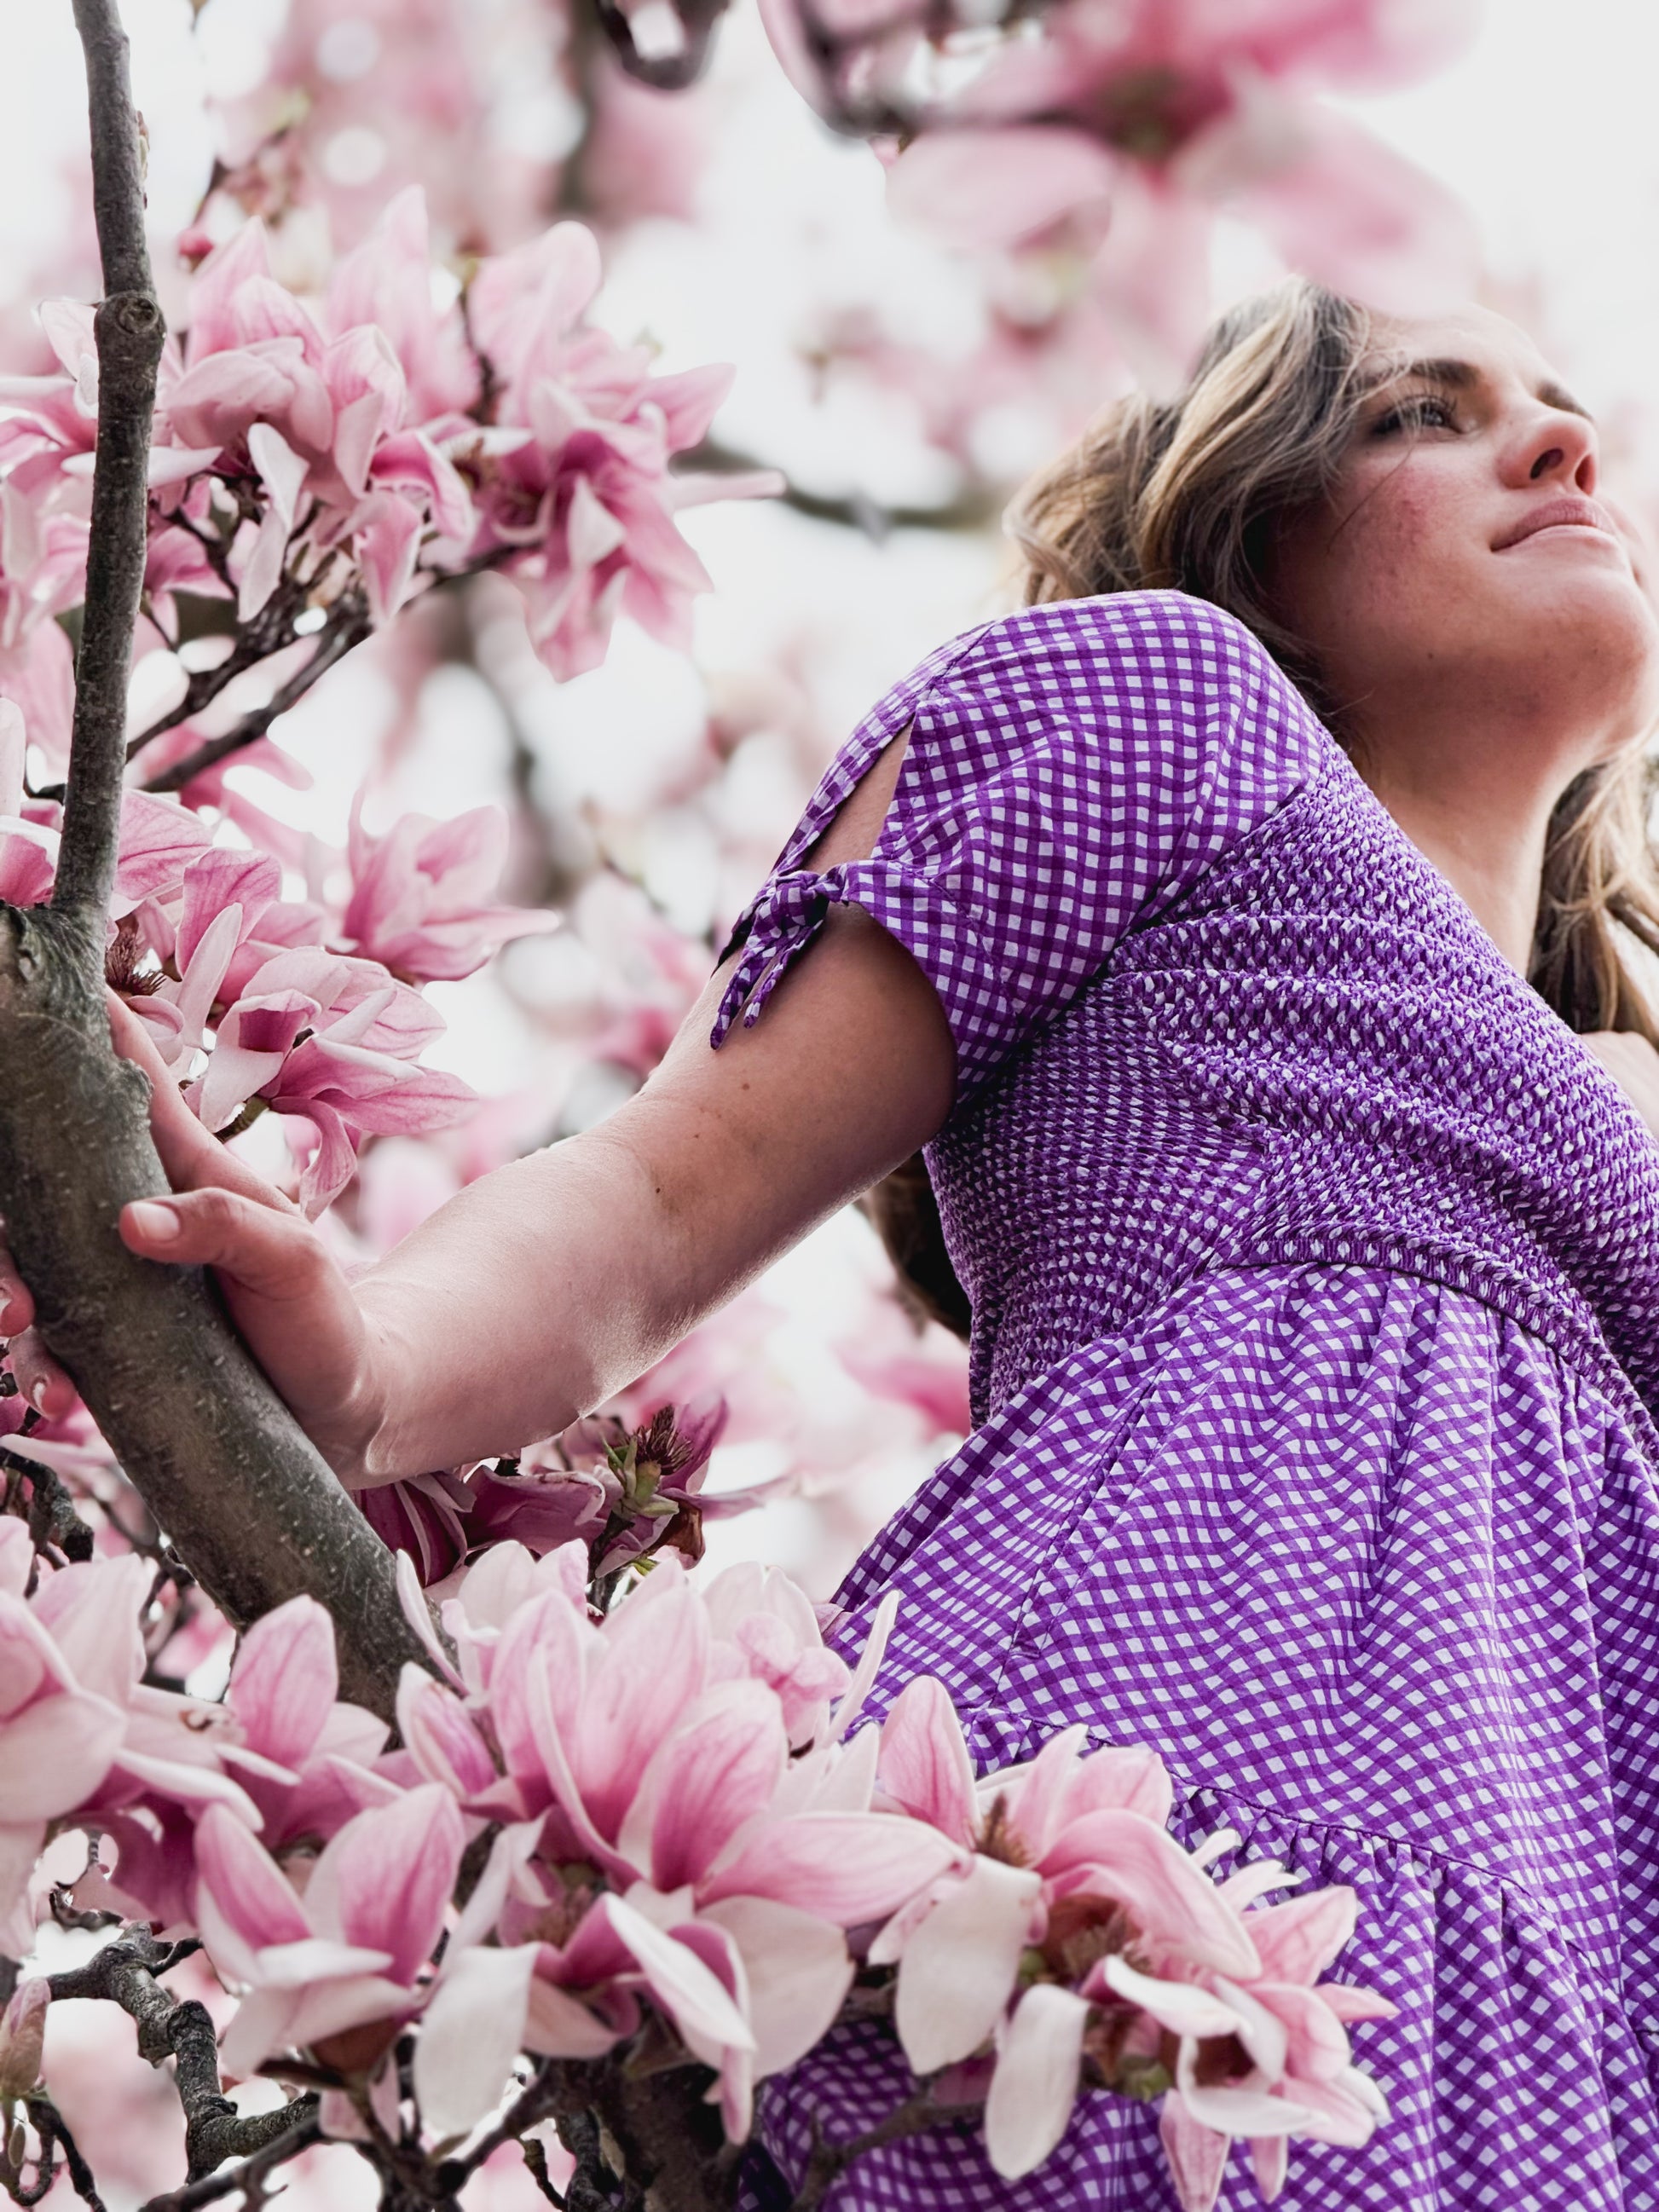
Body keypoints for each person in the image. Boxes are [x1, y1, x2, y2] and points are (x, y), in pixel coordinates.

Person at [6, 280, 1659, 2208]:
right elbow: (663, 1181)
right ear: (1245, 515)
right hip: (1157, 1833)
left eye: (1559, 411)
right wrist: (367, 1359)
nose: (1559, 446)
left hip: (1582, 1927)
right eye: (1415, 415)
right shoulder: (1177, 709)